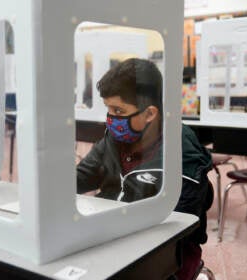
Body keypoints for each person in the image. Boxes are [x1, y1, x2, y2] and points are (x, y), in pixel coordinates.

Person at [76, 58, 213, 280]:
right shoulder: (113, 139)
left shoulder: (181, 149)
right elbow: (82, 177)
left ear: (150, 113)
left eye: (118, 110)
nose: (110, 119)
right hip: (114, 241)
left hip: (169, 255)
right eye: (108, 109)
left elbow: (179, 223)